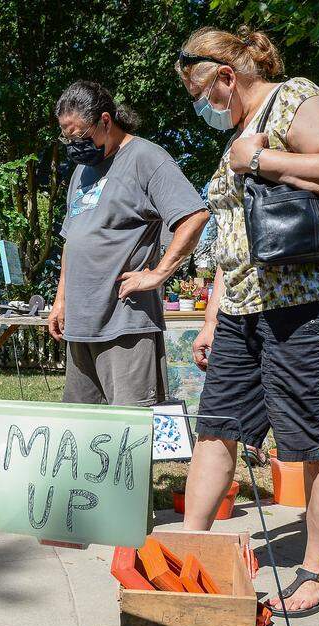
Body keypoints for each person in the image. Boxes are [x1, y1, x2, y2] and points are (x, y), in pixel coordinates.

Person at [175, 26, 319, 618]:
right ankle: (191, 547)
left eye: (203, 93)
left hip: (305, 306)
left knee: (313, 439)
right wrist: (210, 318)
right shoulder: (235, 134)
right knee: (217, 427)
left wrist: (261, 158)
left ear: (227, 77)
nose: (203, 106)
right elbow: (233, 239)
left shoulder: (295, 99)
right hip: (240, 309)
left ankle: (315, 570)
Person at [48, 80, 209, 406]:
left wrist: (158, 274)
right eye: (67, 138)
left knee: (129, 435)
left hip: (125, 324)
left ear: (106, 121)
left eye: (79, 136)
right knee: (79, 432)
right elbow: (72, 240)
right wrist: (60, 299)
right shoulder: (82, 171)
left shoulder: (146, 158)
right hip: (80, 325)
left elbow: (194, 217)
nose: (74, 146)